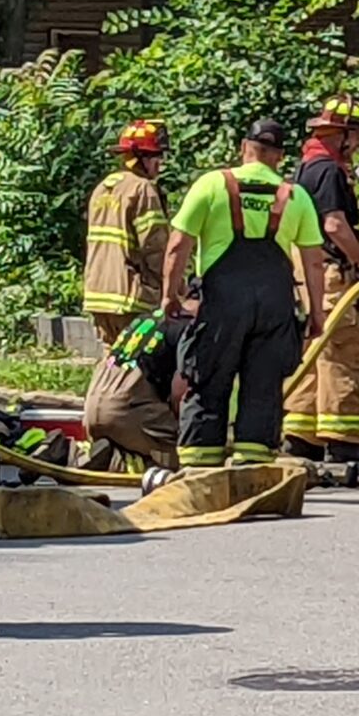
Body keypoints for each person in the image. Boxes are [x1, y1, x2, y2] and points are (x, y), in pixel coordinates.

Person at [162, 118, 328, 470]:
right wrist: (317, 314)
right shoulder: (295, 196)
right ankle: (252, 460)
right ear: (280, 157)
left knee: (208, 376)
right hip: (275, 304)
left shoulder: (212, 184)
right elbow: (314, 262)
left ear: (244, 148)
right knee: (264, 383)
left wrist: (170, 295)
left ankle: (198, 464)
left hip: (221, 303)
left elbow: (178, 245)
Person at [283, 98, 359, 464]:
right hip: (331, 274)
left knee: (313, 352)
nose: (358, 145)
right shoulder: (329, 171)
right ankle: (344, 440)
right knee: (345, 353)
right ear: (342, 135)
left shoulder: (306, 167)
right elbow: (335, 225)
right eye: (356, 136)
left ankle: (302, 436)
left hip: (308, 272)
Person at [81, 120, 171, 350]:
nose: (160, 163)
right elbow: (155, 246)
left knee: (112, 364)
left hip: (98, 294)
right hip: (130, 297)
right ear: (141, 157)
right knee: (137, 367)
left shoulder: (103, 188)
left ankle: (103, 388)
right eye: (156, 156)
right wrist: (174, 286)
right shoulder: (142, 189)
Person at [82, 314, 179, 473]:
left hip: (91, 409)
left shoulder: (143, 319)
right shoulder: (188, 328)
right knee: (192, 444)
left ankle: (72, 452)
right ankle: (120, 462)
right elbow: (181, 393)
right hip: (126, 409)